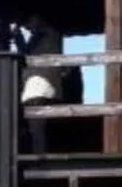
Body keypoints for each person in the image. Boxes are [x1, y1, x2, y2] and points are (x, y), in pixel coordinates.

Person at [18, 17, 82, 155]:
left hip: (38, 88)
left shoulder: (43, 35)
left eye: (30, 21)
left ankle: (38, 159)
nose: (27, 25)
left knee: (36, 128)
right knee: (41, 128)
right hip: (48, 89)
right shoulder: (52, 35)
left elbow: (25, 53)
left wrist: (18, 37)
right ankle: (40, 156)